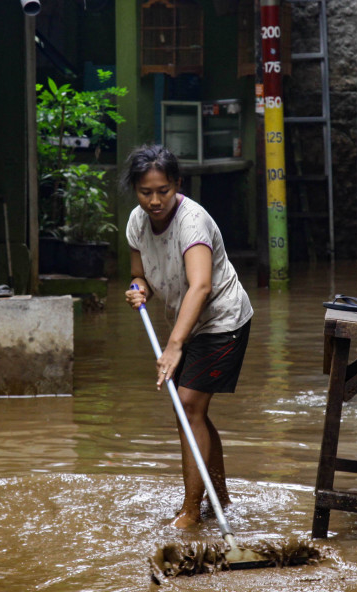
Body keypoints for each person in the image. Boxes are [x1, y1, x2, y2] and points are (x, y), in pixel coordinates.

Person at [122, 145, 254, 528]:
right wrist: (138, 288)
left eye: (163, 190)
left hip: (222, 320)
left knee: (189, 407)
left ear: (177, 184)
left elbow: (200, 287)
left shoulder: (192, 222)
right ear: (135, 190)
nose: (155, 200)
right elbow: (138, 273)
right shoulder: (136, 222)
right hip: (188, 322)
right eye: (146, 192)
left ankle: (191, 512)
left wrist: (174, 346)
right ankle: (220, 498)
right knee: (193, 410)